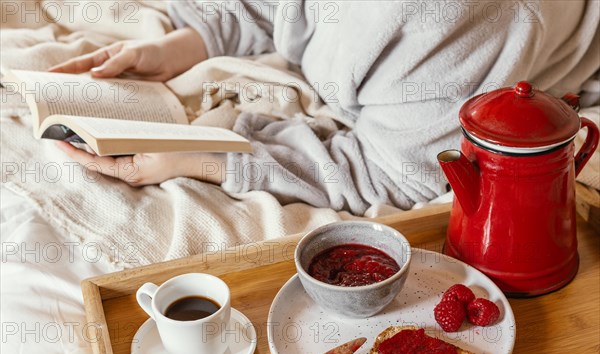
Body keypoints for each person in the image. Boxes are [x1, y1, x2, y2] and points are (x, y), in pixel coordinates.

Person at [50, 1, 599, 215]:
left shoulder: (454, 19)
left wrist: (207, 157)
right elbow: (275, 8)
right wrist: (182, 46)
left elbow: (391, 174)